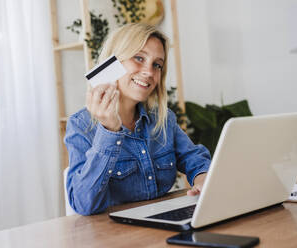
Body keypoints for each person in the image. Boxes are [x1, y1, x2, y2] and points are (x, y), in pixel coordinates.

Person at [64, 23, 211, 216]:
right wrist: (110, 132)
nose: (149, 72)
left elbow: (195, 160)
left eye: (157, 64)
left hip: (161, 228)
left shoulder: (163, 120)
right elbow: (83, 204)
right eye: (139, 58)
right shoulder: (81, 125)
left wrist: (202, 180)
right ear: (112, 63)